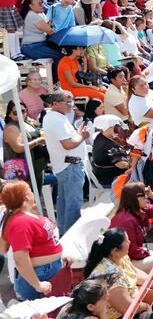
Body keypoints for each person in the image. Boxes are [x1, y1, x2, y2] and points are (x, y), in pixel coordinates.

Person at [0, 180, 63, 301]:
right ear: (26, 197)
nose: (32, 193)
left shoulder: (22, 217)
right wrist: (38, 285)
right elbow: (20, 258)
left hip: (45, 270)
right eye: (30, 191)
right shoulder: (20, 222)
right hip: (39, 274)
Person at [43, 91, 90, 235]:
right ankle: (72, 235)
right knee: (73, 203)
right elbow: (68, 144)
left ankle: (64, 232)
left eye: (72, 101)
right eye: (67, 102)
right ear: (55, 104)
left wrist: (78, 134)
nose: (71, 105)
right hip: (70, 166)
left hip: (66, 166)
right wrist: (82, 137)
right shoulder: (56, 119)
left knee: (64, 201)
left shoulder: (56, 117)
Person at [109, 182, 153, 273]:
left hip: (132, 257)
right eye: (143, 195)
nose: (146, 198)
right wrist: (147, 254)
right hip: (122, 263)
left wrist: (152, 195)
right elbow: (131, 251)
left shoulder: (140, 211)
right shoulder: (125, 221)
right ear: (134, 199)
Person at [3, 100, 48, 195]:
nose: (20, 114)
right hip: (22, 169)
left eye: (22, 111)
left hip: (37, 165)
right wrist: (37, 141)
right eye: (16, 112)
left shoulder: (27, 123)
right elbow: (18, 148)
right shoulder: (12, 127)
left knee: (36, 195)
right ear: (9, 114)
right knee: (26, 197)